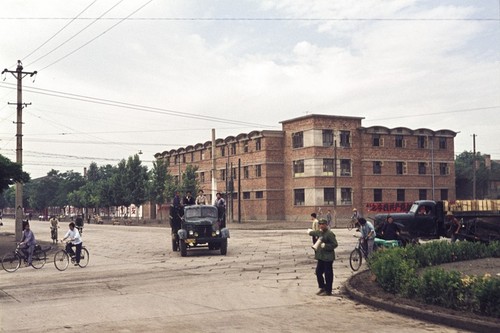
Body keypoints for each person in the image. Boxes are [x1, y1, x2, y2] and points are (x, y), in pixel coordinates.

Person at [308, 219, 338, 296]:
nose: (321, 225)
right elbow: (314, 232)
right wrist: (309, 232)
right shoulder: (320, 232)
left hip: (328, 257)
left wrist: (326, 246)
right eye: (320, 224)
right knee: (318, 272)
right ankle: (322, 287)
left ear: (326, 225)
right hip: (321, 257)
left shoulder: (330, 234)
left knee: (328, 274)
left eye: (323, 224)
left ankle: (328, 290)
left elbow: (335, 244)